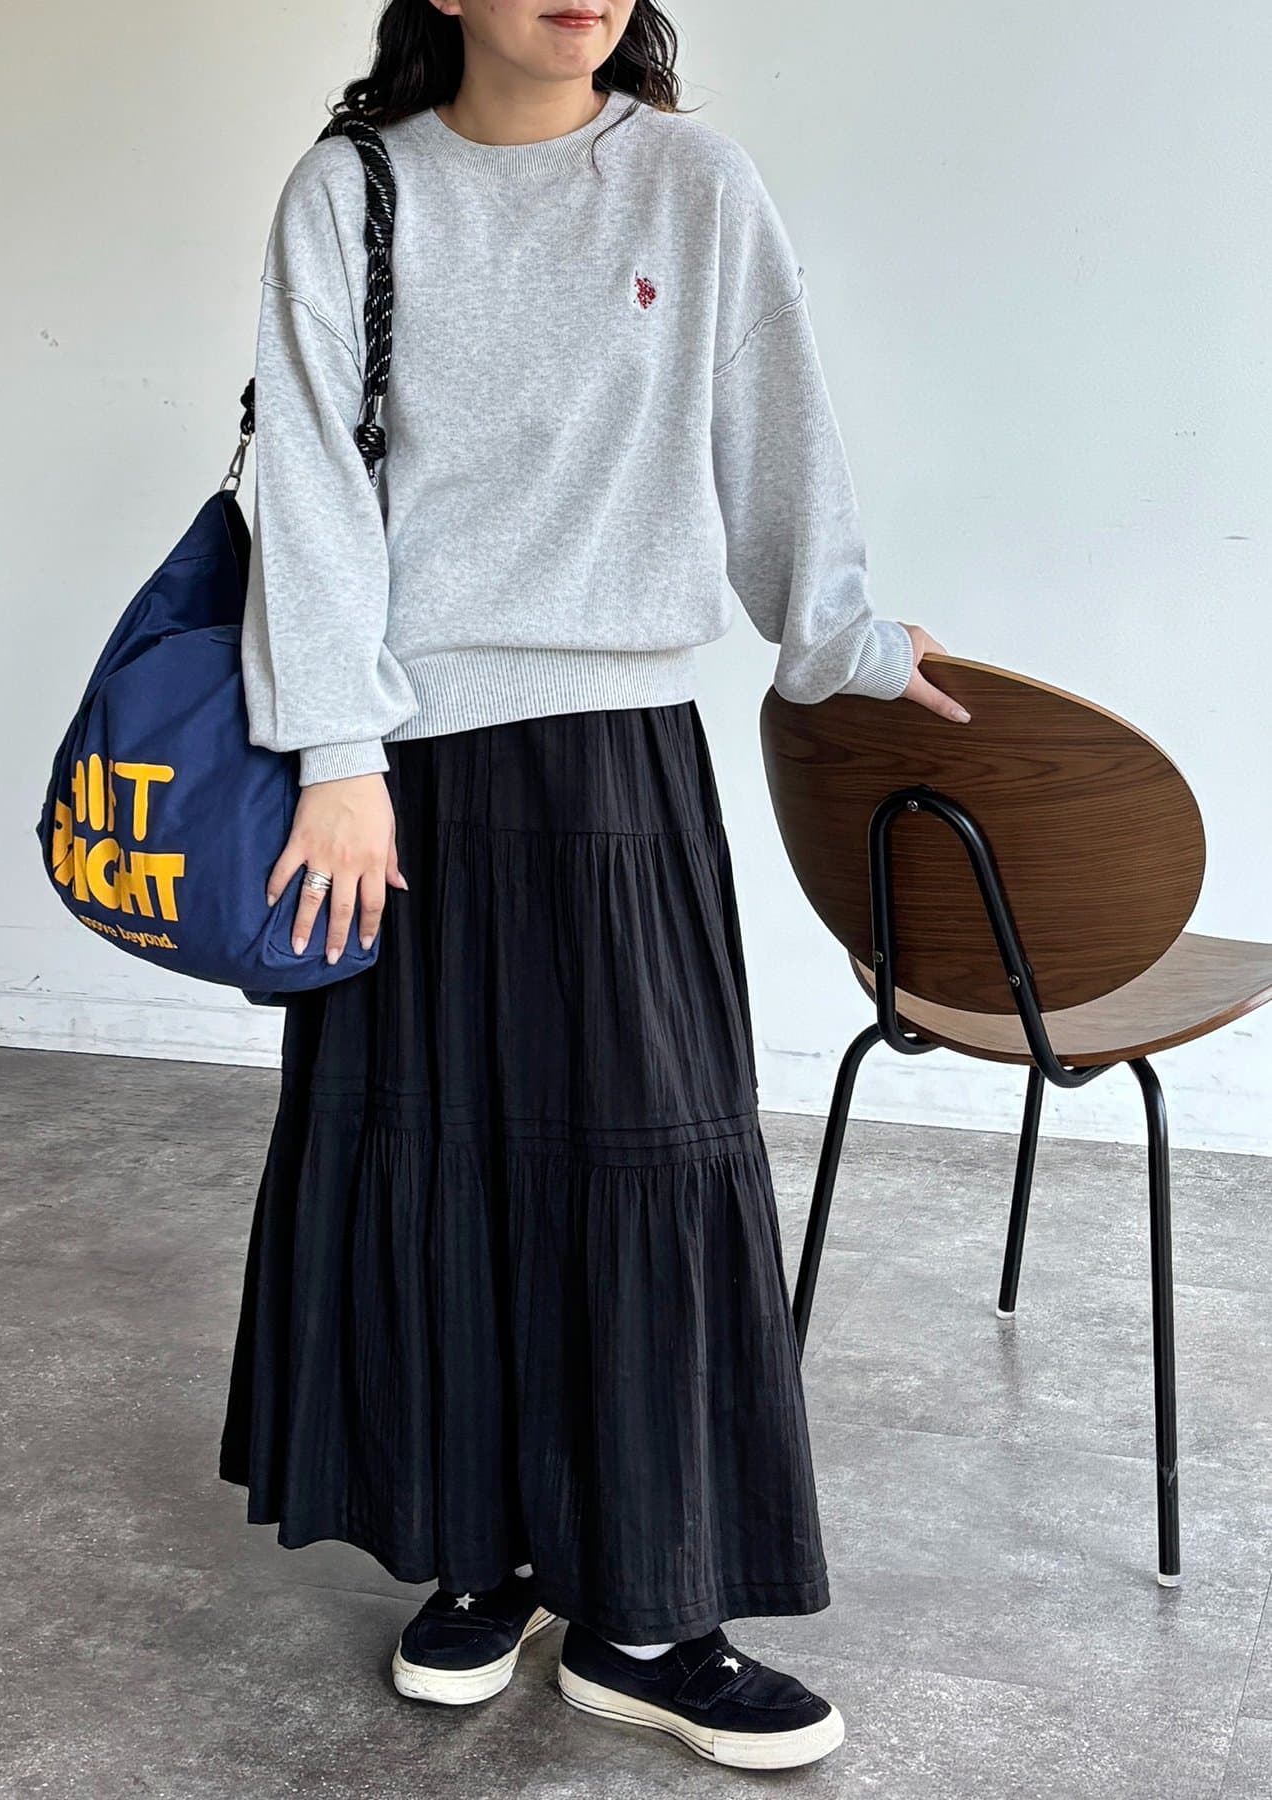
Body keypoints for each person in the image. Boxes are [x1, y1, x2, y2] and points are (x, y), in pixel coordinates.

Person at [218, 0, 968, 1773]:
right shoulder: (354, 190)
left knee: (647, 1165)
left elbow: (774, 437)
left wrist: (846, 642)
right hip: (400, 778)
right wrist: (336, 754)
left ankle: (643, 1615)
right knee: (437, 1163)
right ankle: (476, 1551)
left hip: (619, 754)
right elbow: (313, 482)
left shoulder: (693, 183)